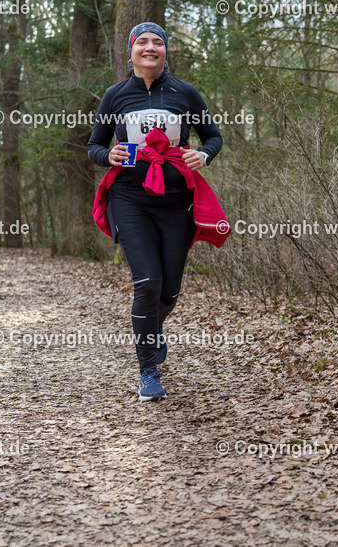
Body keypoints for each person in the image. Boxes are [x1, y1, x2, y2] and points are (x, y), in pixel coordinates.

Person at [87, 22, 230, 402]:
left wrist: (204, 154)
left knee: (169, 290)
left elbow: (213, 136)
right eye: (143, 42)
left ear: (165, 51)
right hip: (130, 199)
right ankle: (148, 371)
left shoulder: (184, 92)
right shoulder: (115, 95)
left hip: (176, 202)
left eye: (158, 43)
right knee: (147, 283)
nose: (150, 48)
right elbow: (94, 146)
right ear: (131, 51)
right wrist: (108, 155)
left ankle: (151, 327)